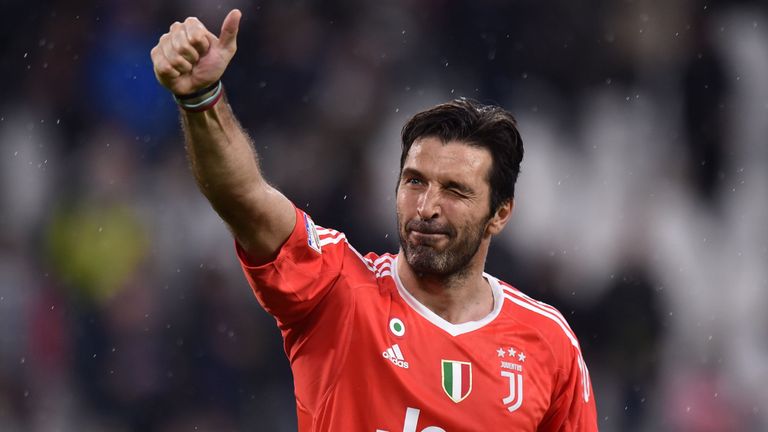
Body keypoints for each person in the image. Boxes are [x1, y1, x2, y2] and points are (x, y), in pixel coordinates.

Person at [151, 9, 598, 431]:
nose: (426, 206)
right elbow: (244, 198)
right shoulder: (337, 289)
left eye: (455, 190)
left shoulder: (548, 343)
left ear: (499, 214)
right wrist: (202, 98)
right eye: (415, 181)